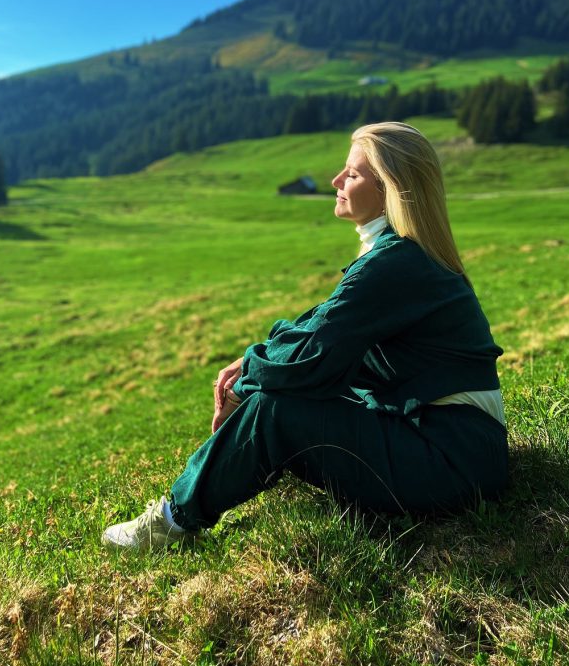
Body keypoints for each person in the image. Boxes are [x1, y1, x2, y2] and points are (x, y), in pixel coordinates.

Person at [102, 121, 508, 550]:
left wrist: (247, 378)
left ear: (389, 187)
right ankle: (225, 478)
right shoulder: (401, 255)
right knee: (285, 393)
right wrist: (253, 365)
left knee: (278, 408)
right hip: (452, 446)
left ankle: (172, 521)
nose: (336, 181)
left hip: (450, 461)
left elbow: (309, 357)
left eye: (352, 174)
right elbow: (319, 330)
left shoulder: (397, 265)